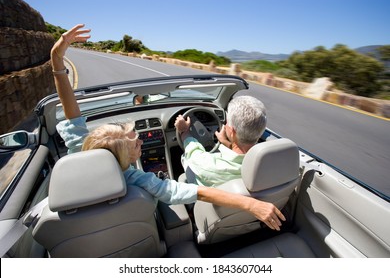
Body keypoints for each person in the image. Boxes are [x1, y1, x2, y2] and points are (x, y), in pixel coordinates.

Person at [51, 24, 284, 230]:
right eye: (136, 142)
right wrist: (251, 203)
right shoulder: (142, 181)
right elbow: (196, 192)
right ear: (123, 157)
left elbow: (72, 113)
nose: (142, 139)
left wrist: (57, 59)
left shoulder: (79, 149)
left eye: (136, 135)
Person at [174, 95, 266, 187]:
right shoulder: (266, 163)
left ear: (231, 131)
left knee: (184, 165)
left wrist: (184, 131)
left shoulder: (208, 165)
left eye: (227, 123)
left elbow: (192, 153)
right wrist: (226, 142)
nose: (225, 125)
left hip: (202, 197)